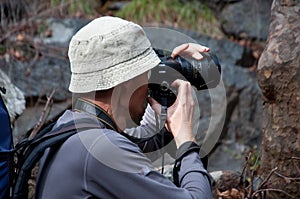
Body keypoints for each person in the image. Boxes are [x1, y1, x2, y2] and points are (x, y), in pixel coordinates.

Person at [35, 16, 212, 199]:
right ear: (128, 84)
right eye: (147, 76)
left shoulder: (72, 127)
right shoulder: (102, 149)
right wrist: (186, 139)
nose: (150, 85)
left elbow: (139, 143)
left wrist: (167, 91)